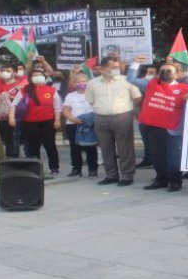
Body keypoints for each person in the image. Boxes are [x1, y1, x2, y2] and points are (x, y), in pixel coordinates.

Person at [85, 56, 143, 187]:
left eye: (117, 67)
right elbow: (90, 100)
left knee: (125, 148)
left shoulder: (126, 80)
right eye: (113, 67)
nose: (116, 69)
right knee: (106, 148)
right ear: (102, 68)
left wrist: (126, 107)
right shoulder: (93, 83)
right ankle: (111, 175)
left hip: (122, 117)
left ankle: (127, 175)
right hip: (101, 118)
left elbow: (137, 97)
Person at [138, 62, 188, 192]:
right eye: (162, 71)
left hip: (173, 129)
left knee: (173, 157)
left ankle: (175, 181)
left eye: (169, 71)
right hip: (154, 127)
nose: (165, 73)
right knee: (156, 155)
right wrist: (136, 63)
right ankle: (161, 179)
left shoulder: (186, 88)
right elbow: (131, 79)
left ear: (177, 74)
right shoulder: (153, 84)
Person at [9, 68, 62, 175]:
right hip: (30, 122)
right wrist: (11, 118)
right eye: (35, 75)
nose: (37, 77)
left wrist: (57, 120)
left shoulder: (51, 90)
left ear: (44, 77)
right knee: (33, 146)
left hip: (48, 122)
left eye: (40, 75)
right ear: (30, 78)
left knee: (50, 145)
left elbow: (57, 107)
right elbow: (13, 104)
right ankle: (36, 168)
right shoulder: (24, 90)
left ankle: (54, 167)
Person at [62, 74, 99, 177]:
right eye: (78, 82)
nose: (81, 83)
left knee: (90, 147)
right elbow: (66, 110)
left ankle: (92, 169)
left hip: (89, 125)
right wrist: (73, 119)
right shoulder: (70, 96)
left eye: (83, 81)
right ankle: (76, 169)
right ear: (74, 84)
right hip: (73, 124)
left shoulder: (93, 95)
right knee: (75, 148)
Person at [0, 62, 26, 160]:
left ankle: (10, 161)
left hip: (10, 118)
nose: (5, 72)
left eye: (8, 71)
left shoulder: (19, 85)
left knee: (10, 141)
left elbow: (20, 101)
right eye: (3, 70)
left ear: (14, 73)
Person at [127, 57, 159, 169]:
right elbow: (131, 79)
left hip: (160, 119)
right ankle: (148, 160)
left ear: (158, 75)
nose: (148, 75)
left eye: (151, 73)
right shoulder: (145, 83)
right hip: (144, 117)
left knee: (159, 142)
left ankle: (159, 163)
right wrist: (136, 63)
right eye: (147, 72)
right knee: (146, 140)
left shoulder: (162, 84)